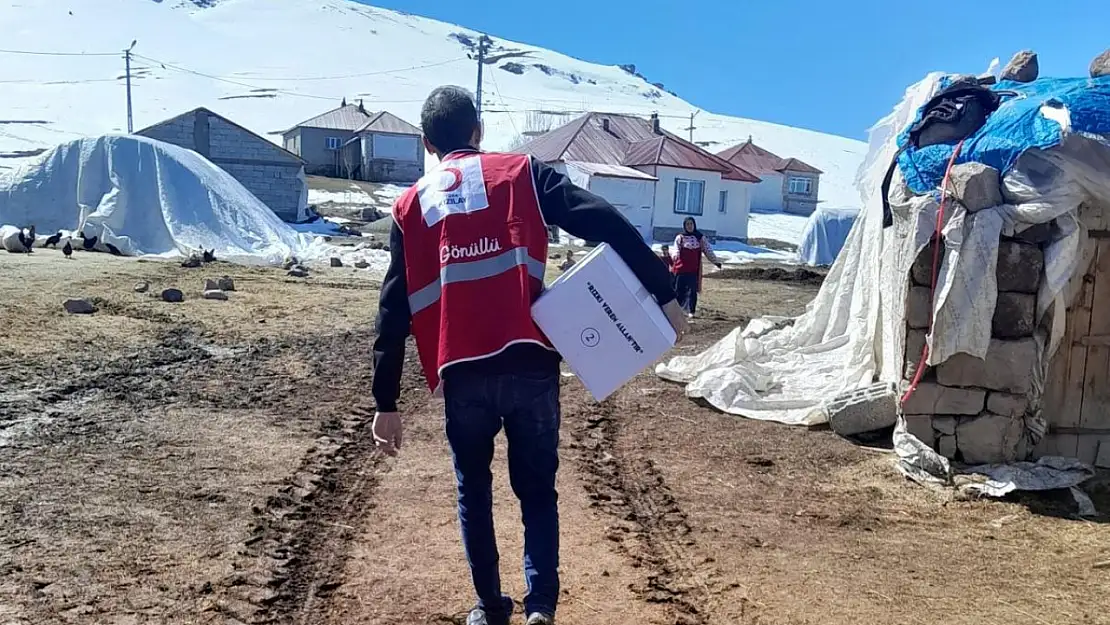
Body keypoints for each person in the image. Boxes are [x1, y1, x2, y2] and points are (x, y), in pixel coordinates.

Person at [370, 85, 688, 625]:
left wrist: (386, 400)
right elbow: (603, 218)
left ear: (427, 144)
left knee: (475, 492)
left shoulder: (410, 206)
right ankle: (540, 606)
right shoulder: (522, 173)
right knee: (537, 491)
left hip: (463, 372)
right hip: (532, 363)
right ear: (478, 132)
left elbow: (392, 306)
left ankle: (490, 608)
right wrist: (663, 290)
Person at [669, 216, 721, 318]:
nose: (689, 226)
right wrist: (675, 256)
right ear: (684, 226)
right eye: (687, 224)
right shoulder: (680, 238)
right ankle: (678, 310)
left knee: (692, 291)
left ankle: (691, 311)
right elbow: (675, 249)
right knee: (679, 290)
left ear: (694, 225)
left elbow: (708, 251)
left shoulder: (700, 238)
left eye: (691, 224)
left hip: (693, 270)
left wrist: (715, 262)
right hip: (681, 269)